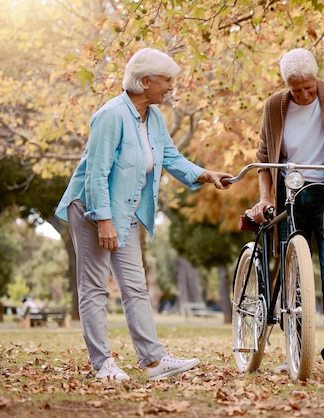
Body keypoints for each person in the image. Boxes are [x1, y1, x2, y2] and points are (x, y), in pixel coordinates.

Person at [55, 48, 233, 381]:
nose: (170, 87)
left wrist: (206, 174)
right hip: (93, 207)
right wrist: (103, 220)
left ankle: (152, 361)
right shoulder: (111, 115)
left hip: (126, 209)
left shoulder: (154, 118)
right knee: (95, 287)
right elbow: (96, 174)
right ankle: (102, 364)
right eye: (167, 80)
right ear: (146, 80)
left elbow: (172, 158)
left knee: (135, 287)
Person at [247, 48, 324, 373]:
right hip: (290, 197)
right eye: (295, 88)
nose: (303, 94)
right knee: (294, 281)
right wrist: (265, 198)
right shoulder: (275, 106)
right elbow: (264, 158)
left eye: (308, 87)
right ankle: (296, 353)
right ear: (286, 84)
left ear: (316, 78)